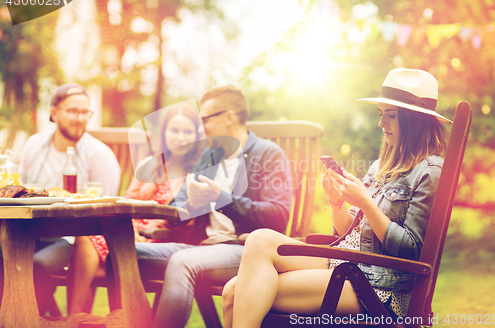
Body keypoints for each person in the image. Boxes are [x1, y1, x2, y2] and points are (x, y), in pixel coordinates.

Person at [221, 68, 452, 327]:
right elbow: (348, 232)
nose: (381, 123)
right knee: (259, 240)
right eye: (380, 114)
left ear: (415, 119)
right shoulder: (381, 166)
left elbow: (412, 253)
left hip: (379, 284)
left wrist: (365, 201)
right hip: (348, 259)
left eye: (391, 115)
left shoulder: (430, 172)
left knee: (237, 292)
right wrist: (337, 201)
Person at [131, 84, 293, 328]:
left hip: (245, 250)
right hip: (200, 247)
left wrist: (221, 199)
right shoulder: (209, 156)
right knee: (125, 253)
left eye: (205, 119)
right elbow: (179, 206)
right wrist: (188, 206)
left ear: (229, 117)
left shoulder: (267, 154)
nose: (201, 126)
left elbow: (278, 217)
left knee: (181, 262)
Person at [66, 102, 204, 314]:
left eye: (187, 132)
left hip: (162, 237)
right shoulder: (151, 163)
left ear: (196, 136)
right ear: (164, 133)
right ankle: (76, 317)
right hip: (130, 232)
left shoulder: (197, 171)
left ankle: (85, 316)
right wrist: (129, 229)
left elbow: (184, 217)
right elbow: (128, 200)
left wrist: (142, 233)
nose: (180, 137)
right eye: (174, 130)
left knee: (92, 249)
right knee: (86, 237)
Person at [17, 83, 121, 314]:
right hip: (26, 232)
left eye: (85, 113)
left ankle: (42, 318)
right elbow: (20, 192)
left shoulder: (100, 156)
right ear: (54, 113)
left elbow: (103, 215)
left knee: (37, 267)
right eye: (73, 111)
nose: (80, 118)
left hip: (73, 239)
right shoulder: (33, 146)